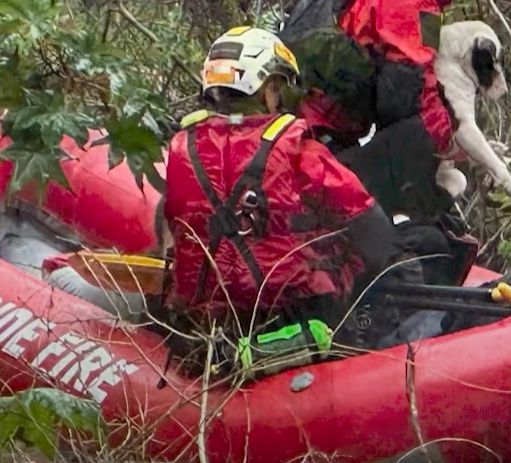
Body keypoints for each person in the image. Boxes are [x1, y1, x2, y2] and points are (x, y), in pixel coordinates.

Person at [278, 0, 511, 226]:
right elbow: (410, 104)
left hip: (306, 138)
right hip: (317, 152)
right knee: (426, 227)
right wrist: (455, 147)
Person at [158, 26, 402, 376]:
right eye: (278, 86)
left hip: (204, 320)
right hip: (285, 315)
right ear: (266, 87)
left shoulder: (182, 147)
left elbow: (174, 229)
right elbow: (371, 228)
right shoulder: (297, 149)